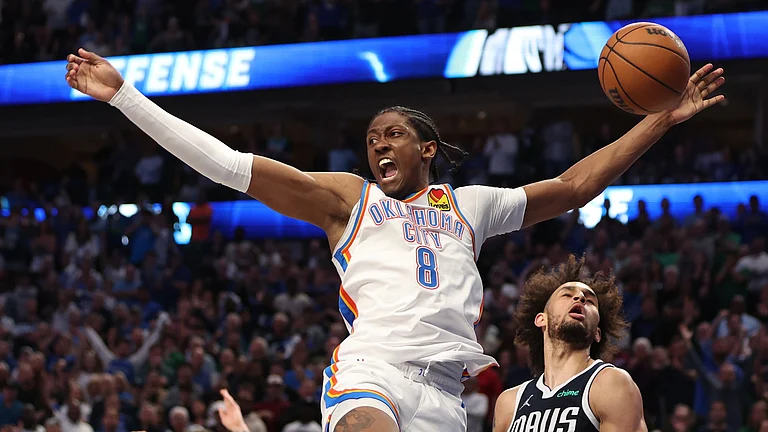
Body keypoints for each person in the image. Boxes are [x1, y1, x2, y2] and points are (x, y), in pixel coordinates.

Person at [64, 48, 725, 432]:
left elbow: (576, 185)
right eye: (371, 138)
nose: (378, 143)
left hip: (445, 394)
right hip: (371, 370)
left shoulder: (472, 207)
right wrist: (126, 98)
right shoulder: (350, 201)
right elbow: (229, 165)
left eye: (392, 134)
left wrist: (662, 120)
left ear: (427, 148)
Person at [493, 255, 644, 432]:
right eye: (567, 294)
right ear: (542, 319)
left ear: (597, 333)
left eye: (590, 301)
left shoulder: (610, 384)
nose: (580, 297)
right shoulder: (509, 403)